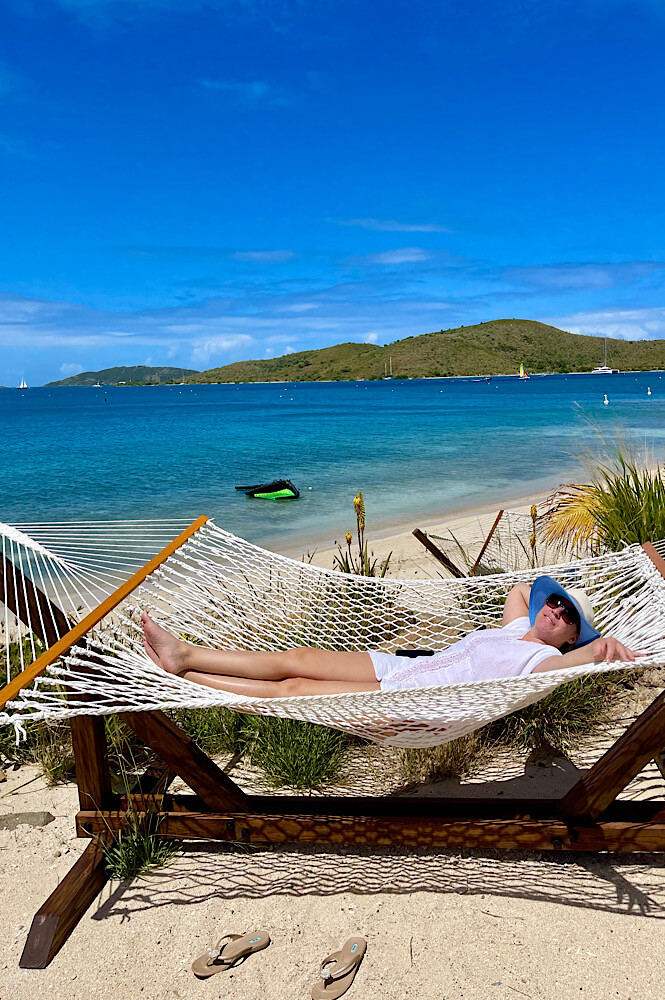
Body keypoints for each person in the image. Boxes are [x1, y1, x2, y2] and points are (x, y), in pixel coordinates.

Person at [141, 574, 638, 699]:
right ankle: (185, 654)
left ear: (571, 638)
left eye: (567, 613)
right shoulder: (517, 630)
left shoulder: (540, 663)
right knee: (294, 656)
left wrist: (597, 649)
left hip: (411, 694)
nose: (555, 608)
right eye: (554, 602)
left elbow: (571, 665)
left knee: (291, 691)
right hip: (397, 665)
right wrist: (550, 593)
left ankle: (188, 681)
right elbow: (518, 589)